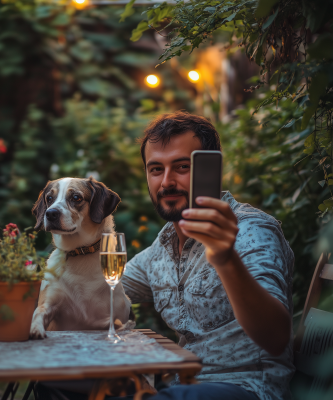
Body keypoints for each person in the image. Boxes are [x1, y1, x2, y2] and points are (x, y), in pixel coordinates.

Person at [121, 111, 295, 400]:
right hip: (181, 388)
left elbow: (276, 339)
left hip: (247, 389)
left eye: (181, 167)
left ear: (210, 169)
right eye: (155, 169)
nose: (166, 182)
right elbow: (104, 287)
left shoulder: (251, 230)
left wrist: (225, 259)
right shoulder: (162, 247)